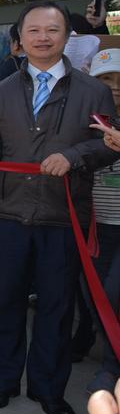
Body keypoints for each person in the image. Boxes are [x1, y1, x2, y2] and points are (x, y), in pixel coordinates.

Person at [0, 1, 119, 414]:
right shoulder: (5, 90)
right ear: (20, 38)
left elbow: (108, 145)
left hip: (63, 218)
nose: (43, 38)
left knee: (56, 306)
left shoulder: (93, 91)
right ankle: (2, 382)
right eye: (34, 31)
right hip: (12, 214)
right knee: (7, 301)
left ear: (67, 37)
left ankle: (49, 389)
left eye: (52, 30)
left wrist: (74, 155)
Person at [85, 48, 120, 395]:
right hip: (98, 226)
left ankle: (111, 369)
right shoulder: (87, 120)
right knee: (96, 296)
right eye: (107, 80)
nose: (115, 87)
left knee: (113, 293)